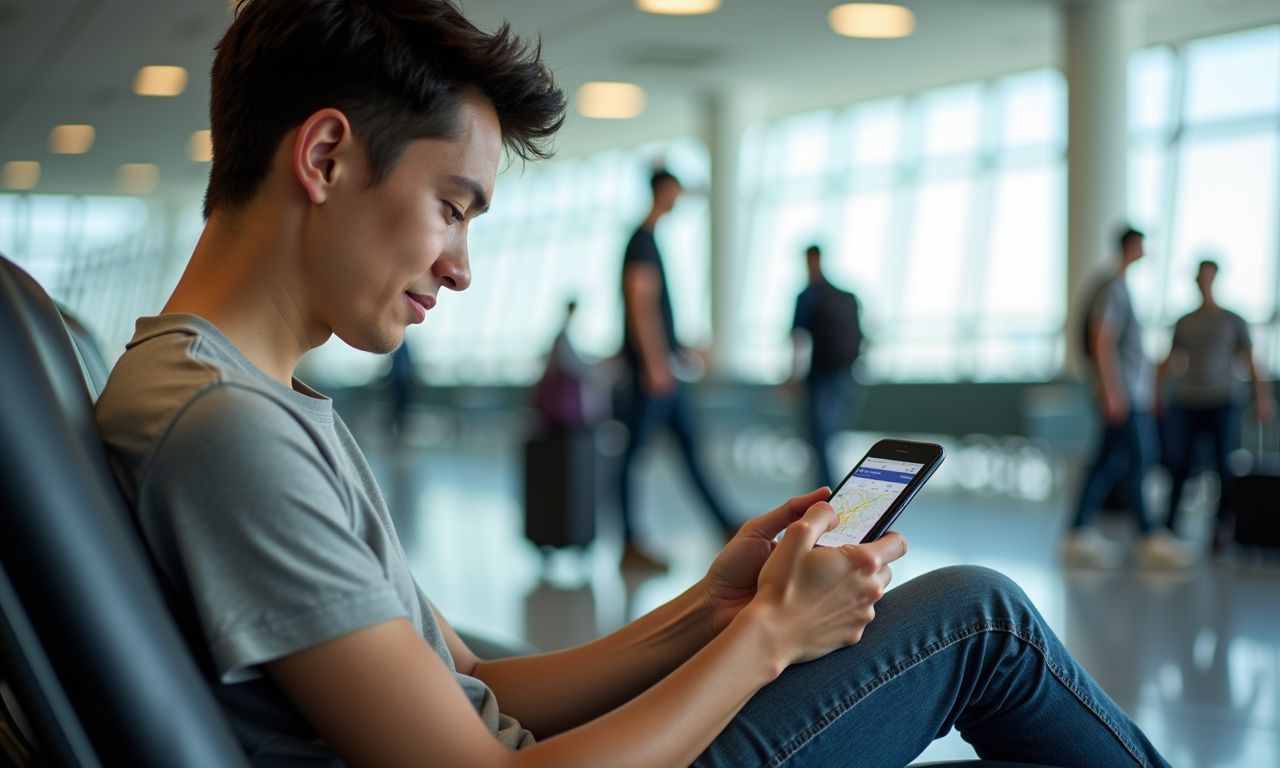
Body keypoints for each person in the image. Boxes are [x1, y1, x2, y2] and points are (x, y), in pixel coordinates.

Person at [94, 2, 1171, 765]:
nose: (463, 266)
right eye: (453, 207)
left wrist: (714, 608)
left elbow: (474, 685)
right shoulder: (228, 430)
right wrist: (769, 640)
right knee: (978, 621)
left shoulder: (239, 399)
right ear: (325, 158)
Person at [618, 169, 737, 571]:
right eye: (676, 192)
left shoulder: (650, 241)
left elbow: (654, 312)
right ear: (662, 191)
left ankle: (726, 525)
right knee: (632, 457)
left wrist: (680, 348)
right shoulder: (642, 241)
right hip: (653, 374)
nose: (679, 199)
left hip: (664, 368)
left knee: (689, 451)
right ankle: (630, 542)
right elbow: (640, 303)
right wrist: (654, 364)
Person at [1064, 227, 1192, 570]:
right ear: (1131, 246)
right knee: (1140, 458)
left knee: (1109, 461)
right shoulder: (1113, 288)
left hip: (1129, 394)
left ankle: (1077, 532)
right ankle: (1149, 536)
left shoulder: (1119, 287)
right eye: (1141, 246)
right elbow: (1100, 339)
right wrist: (1112, 393)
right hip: (1122, 396)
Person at [1156, 259, 1275, 552]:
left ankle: (1221, 528)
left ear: (1215, 280)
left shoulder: (1233, 320)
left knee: (1223, 465)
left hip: (1224, 399)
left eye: (1209, 278)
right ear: (1196, 282)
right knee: (1180, 463)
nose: (1204, 283)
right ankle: (1170, 526)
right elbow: (1170, 360)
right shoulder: (1185, 322)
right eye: (1200, 279)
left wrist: (1263, 397)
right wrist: (1156, 392)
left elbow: (1250, 360)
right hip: (1187, 400)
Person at [789, 244, 863, 490]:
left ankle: (825, 494)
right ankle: (830, 491)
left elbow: (799, 340)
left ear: (809, 260)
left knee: (818, 440)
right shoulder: (845, 295)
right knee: (830, 438)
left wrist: (793, 376)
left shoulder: (808, 296)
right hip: (847, 376)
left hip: (820, 377)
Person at [532, 300, 606, 434]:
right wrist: (592, 370)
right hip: (562, 395)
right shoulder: (563, 336)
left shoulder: (563, 335)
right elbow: (570, 364)